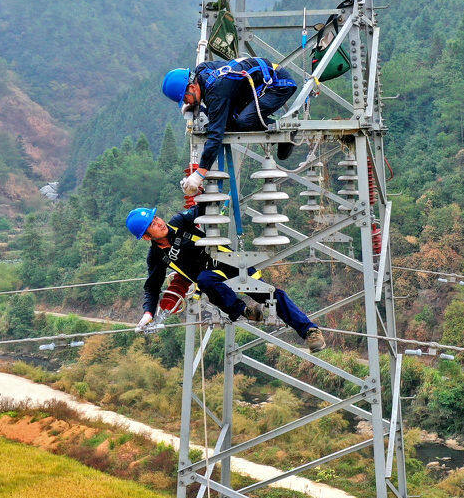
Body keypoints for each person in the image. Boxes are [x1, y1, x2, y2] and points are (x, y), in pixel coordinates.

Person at [125, 205, 326, 352]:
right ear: (146, 237)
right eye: (151, 224)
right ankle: (244, 311)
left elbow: (204, 208)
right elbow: (152, 287)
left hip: (230, 263)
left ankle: (309, 331)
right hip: (211, 279)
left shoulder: (180, 223)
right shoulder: (157, 257)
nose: (159, 223)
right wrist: (148, 313)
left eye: (156, 218)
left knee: (271, 294)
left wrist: (207, 185)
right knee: (204, 280)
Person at [162, 57, 297, 196]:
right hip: (255, 83)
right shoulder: (201, 71)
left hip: (277, 84)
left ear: (192, 87)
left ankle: (285, 130)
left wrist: (199, 174)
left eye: (186, 99)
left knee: (242, 123)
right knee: (228, 121)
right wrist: (198, 108)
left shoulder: (217, 91)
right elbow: (218, 111)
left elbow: (216, 135)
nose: (187, 103)